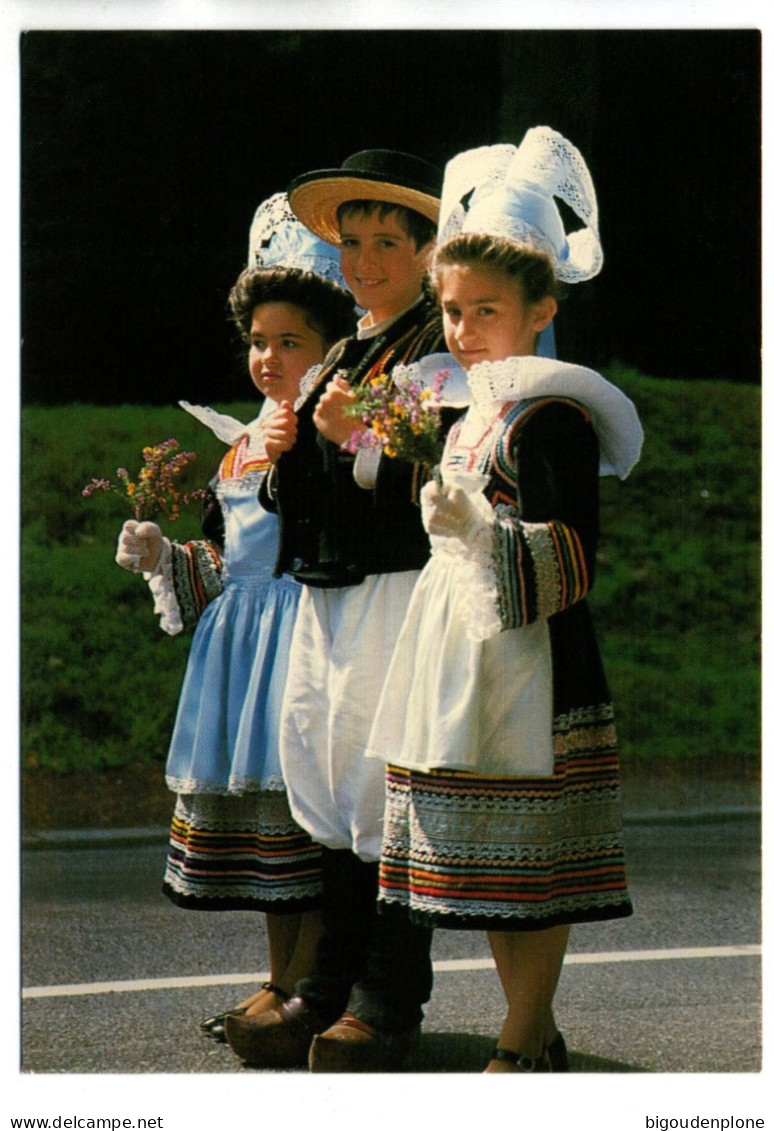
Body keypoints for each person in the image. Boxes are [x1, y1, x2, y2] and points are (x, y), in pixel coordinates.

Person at [364, 127, 644, 1072]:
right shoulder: (470, 406)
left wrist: (480, 536)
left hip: (533, 651)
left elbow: (571, 548)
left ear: (539, 313)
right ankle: (536, 1028)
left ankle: (525, 1032)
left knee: (534, 855)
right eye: (450, 309)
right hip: (461, 646)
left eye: (485, 309)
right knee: (490, 859)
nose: (462, 328)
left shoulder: (552, 412)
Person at [224, 149, 450, 1073]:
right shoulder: (353, 344)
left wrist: (351, 439)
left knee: (384, 790)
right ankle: (326, 987)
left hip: (395, 586)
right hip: (328, 588)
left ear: (429, 250)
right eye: (351, 242)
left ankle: (387, 1000)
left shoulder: (437, 344)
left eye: (386, 242)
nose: (362, 261)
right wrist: (282, 459)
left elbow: (429, 479)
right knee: (326, 780)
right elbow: (302, 492)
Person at [114, 192, 357, 1042]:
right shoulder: (240, 444)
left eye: (291, 341)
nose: (269, 357)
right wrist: (164, 557)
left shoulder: (328, 438)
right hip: (241, 655)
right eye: (259, 340)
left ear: (332, 348)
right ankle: (279, 972)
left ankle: (312, 983)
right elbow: (225, 559)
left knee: (304, 820)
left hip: (302, 640)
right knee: (266, 835)